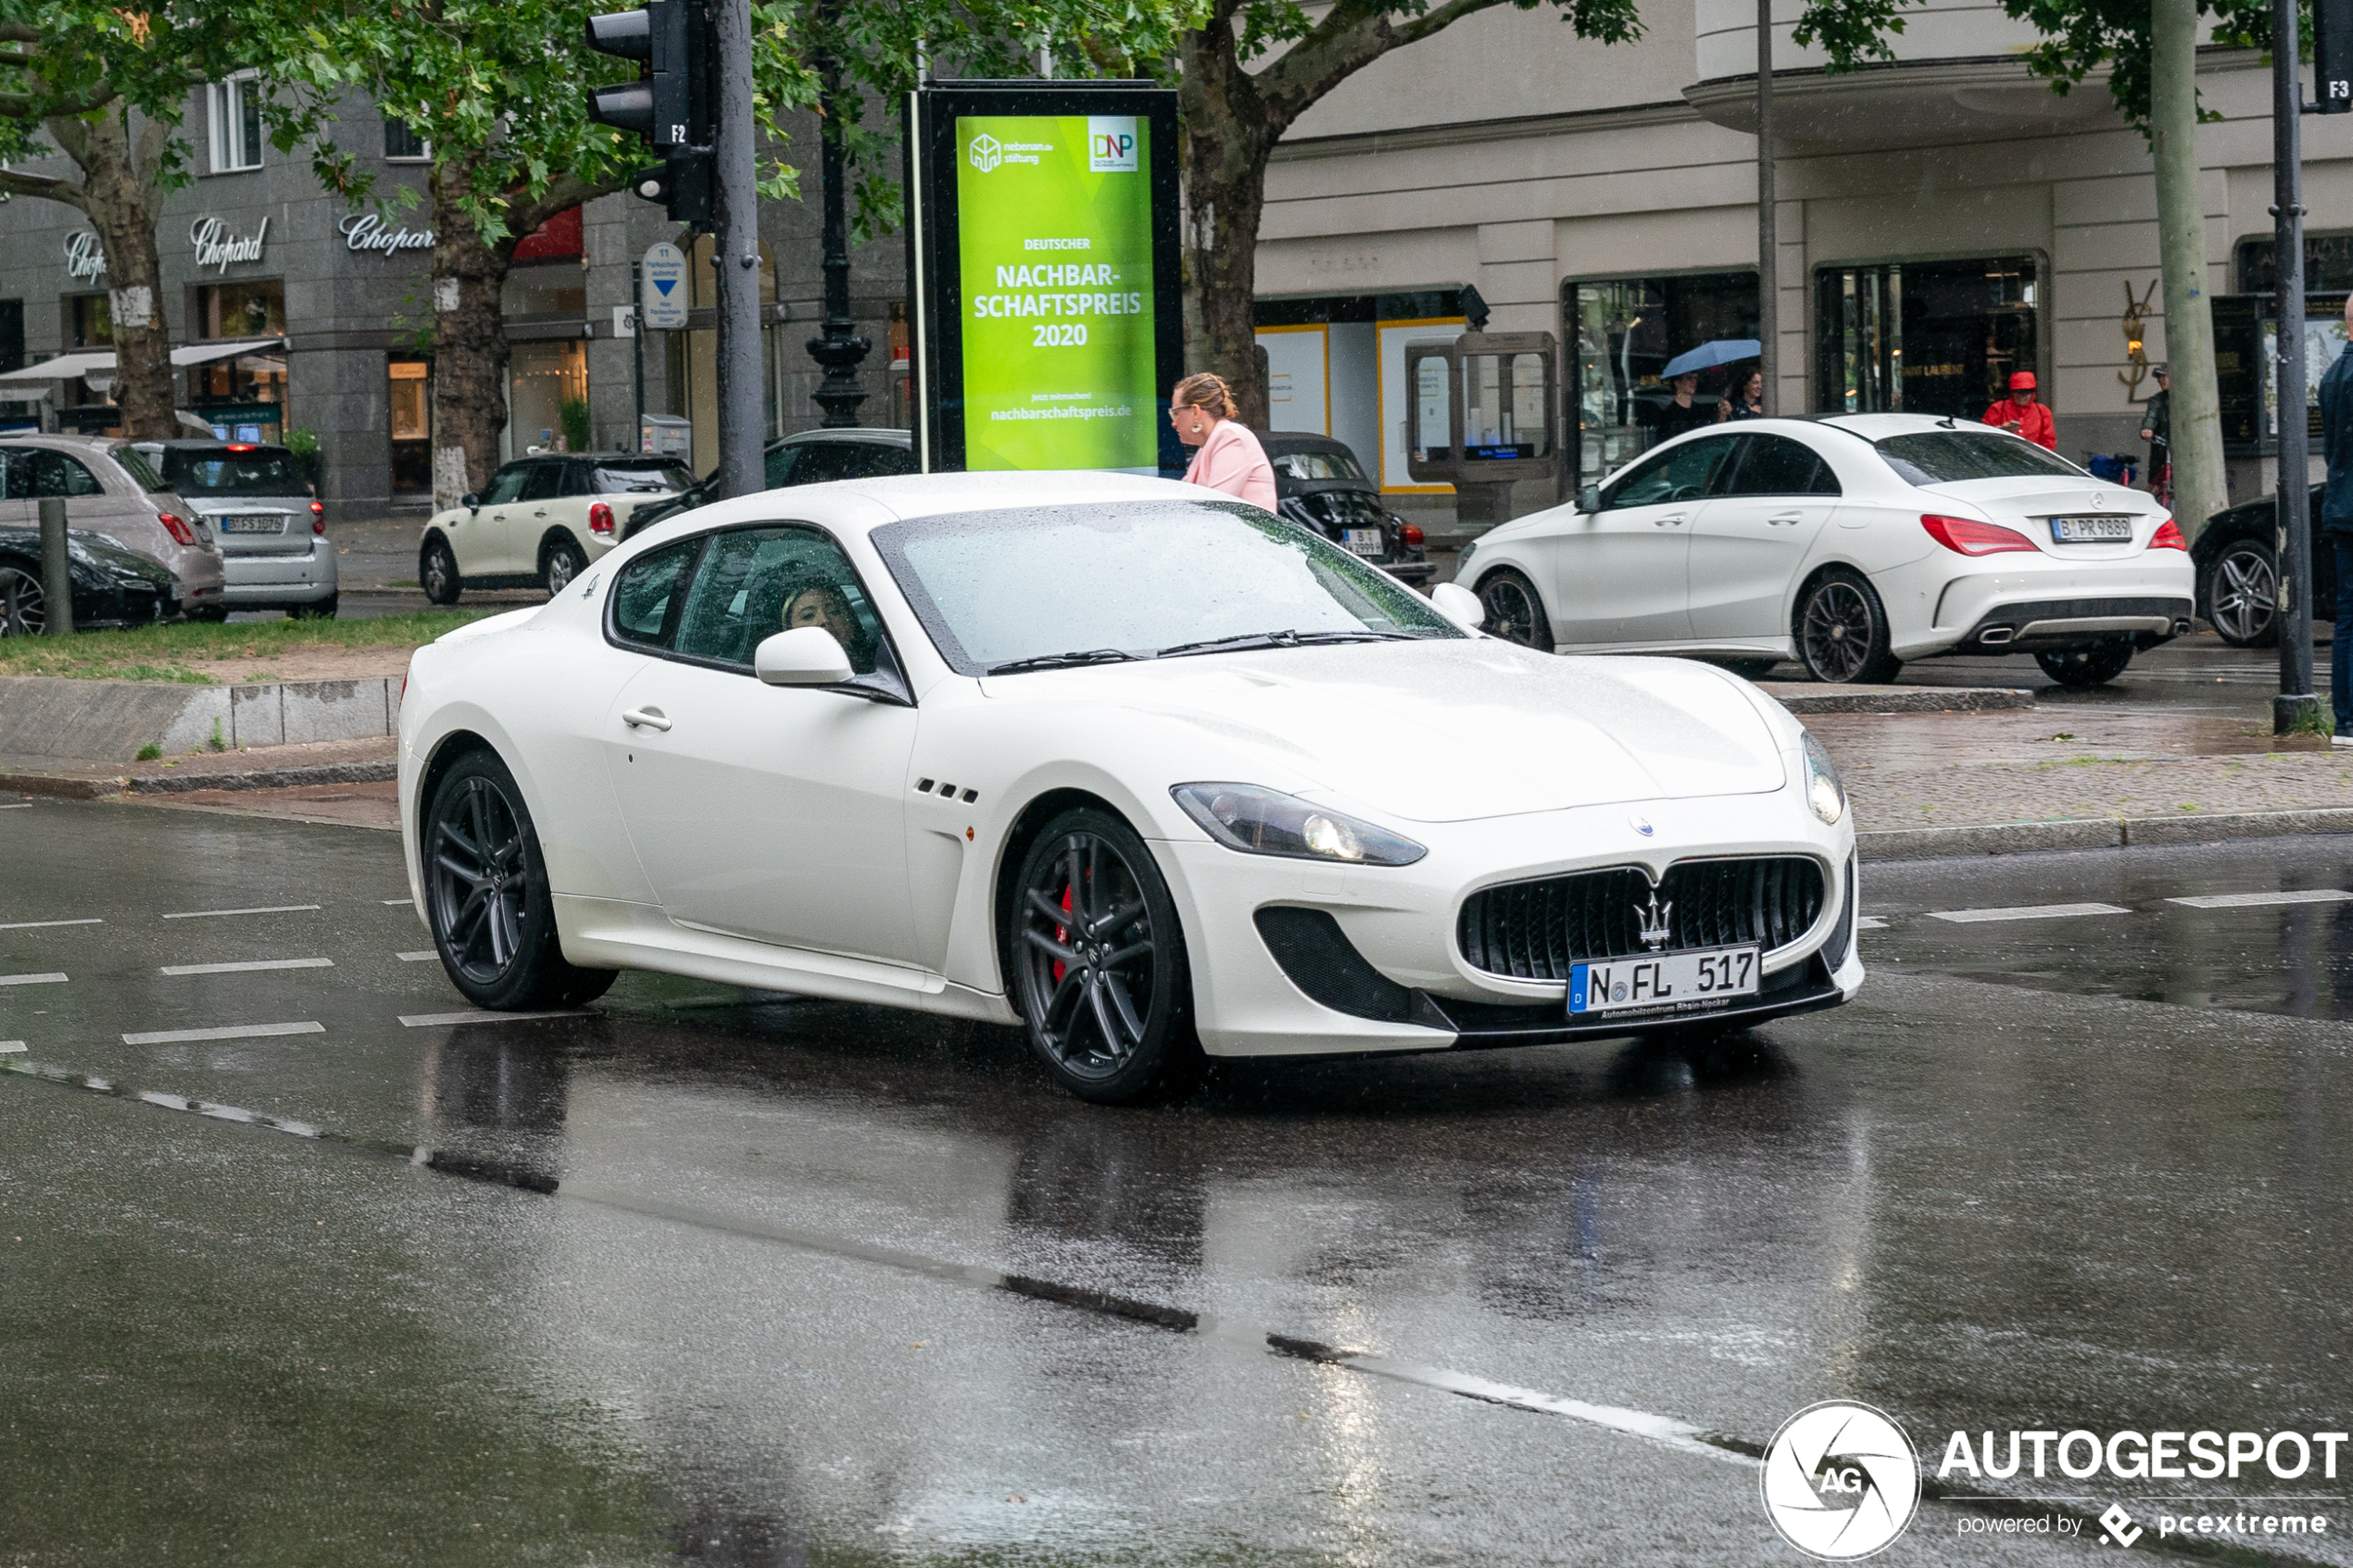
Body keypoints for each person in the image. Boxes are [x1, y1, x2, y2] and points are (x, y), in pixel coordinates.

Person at [2318, 298, 2353, 740]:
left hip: (2343, 505)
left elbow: (2333, 449)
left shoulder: (2330, 378)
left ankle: (2346, 721)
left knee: (2348, 617)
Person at [1171, 371, 1277, 510]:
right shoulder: (1210, 444)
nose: (1173, 423)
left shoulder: (1231, 437)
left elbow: (1215, 507)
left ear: (1196, 412)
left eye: (1176, 413)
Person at [1982, 370, 2057, 450]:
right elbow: (1984, 436)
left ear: (2032, 393)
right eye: (2018, 392)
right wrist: (2001, 429)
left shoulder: (2042, 411)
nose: (2022, 396)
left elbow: (2048, 441)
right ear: (2012, 392)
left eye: (2027, 392)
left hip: (2031, 458)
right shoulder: (1998, 408)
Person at [1649, 370, 1713, 442]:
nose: (1694, 381)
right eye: (1689, 378)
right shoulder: (1669, 415)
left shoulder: (1701, 411)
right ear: (1677, 383)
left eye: (1695, 378)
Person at [2137, 363, 2171, 490]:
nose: (2161, 379)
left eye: (2165, 376)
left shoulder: (2184, 398)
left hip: (2181, 448)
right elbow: (2151, 415)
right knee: (2155, 478)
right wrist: (2147, 429)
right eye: (2159, 377)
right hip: (2161, 447)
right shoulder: (2157, 400)